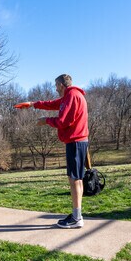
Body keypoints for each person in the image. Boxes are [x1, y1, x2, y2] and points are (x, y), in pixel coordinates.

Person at [21, 74, 89, 228]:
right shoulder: (69, 96)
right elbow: (53, 104)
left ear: (60, 85)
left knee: (75, 179)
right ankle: (76, 214)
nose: (55, 88)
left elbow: (64, 121)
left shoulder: (72, 95)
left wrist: (46, 121)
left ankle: (77, 218)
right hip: (76, 142)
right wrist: (33, 104)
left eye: (55, 85)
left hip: (76, 142)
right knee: (76, 178)